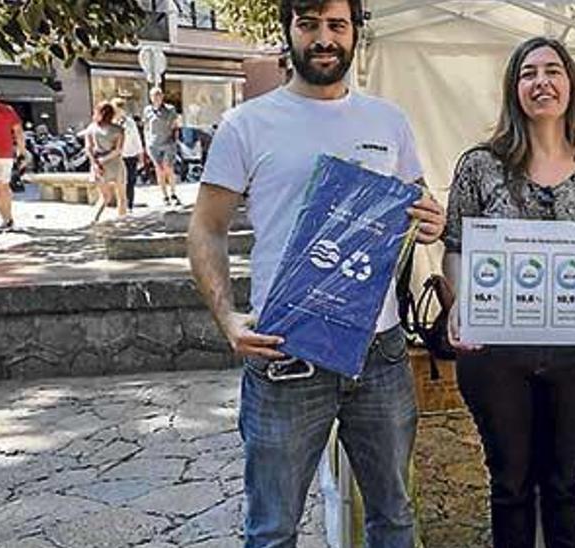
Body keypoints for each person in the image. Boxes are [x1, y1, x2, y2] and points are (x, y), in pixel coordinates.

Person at [186, 0, 446, 546]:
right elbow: (206, 227)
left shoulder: (388, 120)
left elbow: (416, 201)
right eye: (308, 25)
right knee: (273, 528)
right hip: (285, 351)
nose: (323, 38)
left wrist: (430, 218)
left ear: (354, 33)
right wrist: (228, 318)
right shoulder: (245, 124)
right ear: (289, 32)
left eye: (336, 25)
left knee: (394, 515)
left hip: (380, 352)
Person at [443, 36, 575, 548]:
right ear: (514, 89)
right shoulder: (479, 165)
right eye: (528, 73)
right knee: (511, 484)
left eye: (552, 71)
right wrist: (458, 303)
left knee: (565, 484)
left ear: (570, 84)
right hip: (496, 349)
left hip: (574, 350)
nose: (541, 81)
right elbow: (455, 246)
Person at [84, 101, 128, 224]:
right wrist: (104, 159)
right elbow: (118, 150)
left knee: (104, 197)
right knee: (121, 196)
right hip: (115, 164)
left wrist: (95, 163)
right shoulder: (118, 130)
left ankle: (94, 219)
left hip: (98, 165)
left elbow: (88, 148)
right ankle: (122, 221)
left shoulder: (91, 129)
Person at [0, 86, 27, 233]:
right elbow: (19, 132)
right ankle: (8, 219)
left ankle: (6, 220)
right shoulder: (7, 110)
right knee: (4, 186)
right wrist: (21, 151)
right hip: (6, 155)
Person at [143, 87, 181, 206]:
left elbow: (176, 125)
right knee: (159, 170)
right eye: (154, 96)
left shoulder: (170, 109)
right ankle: (164, 196)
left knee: (168, 168)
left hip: (168, 143)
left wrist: (175, 140)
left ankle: (173, 193)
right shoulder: (147, 110)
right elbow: (146, 126)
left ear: (162, 96)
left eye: (158, 95)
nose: (156, 98)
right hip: (153, 145)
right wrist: (146, 142)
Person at [113, 98, 145, 209]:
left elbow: (137, 139)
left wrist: (140, 155)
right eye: (117, 109)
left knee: (131, 180)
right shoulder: (111, 123)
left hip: (131, 155)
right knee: (120, 182)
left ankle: (129, 205)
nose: (119, 111)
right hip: (117, 157)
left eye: (121, 109)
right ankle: (121, 205)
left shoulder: (130, 122)